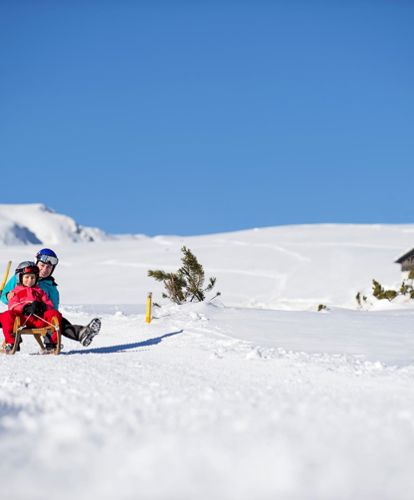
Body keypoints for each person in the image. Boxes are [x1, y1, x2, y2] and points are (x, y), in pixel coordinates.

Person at [1, 248, 101, 347]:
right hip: (20, 316)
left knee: (58, 319)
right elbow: (5, 296)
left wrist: (43, 308)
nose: (45, 270)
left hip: (40, 317)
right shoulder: (21, 275)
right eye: (42, 265)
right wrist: (7, 296)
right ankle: (12, 340)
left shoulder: (50, 286)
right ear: (36, 263)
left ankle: (81, 333)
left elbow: (53, 309)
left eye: (49, 267)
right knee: (6, 317)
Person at [0, 262, 62, 354]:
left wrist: (43, 307)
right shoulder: (15, 292)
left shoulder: (40, 292)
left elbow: (50, 305)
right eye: (27, 277)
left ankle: (53, 343)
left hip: (39, 319)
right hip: (21, 320)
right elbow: (12, 306)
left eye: (32, 277)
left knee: (55, 314)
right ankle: (11, 343)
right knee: (6, 315)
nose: (30, 280)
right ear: (20, 278)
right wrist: (24, 308)